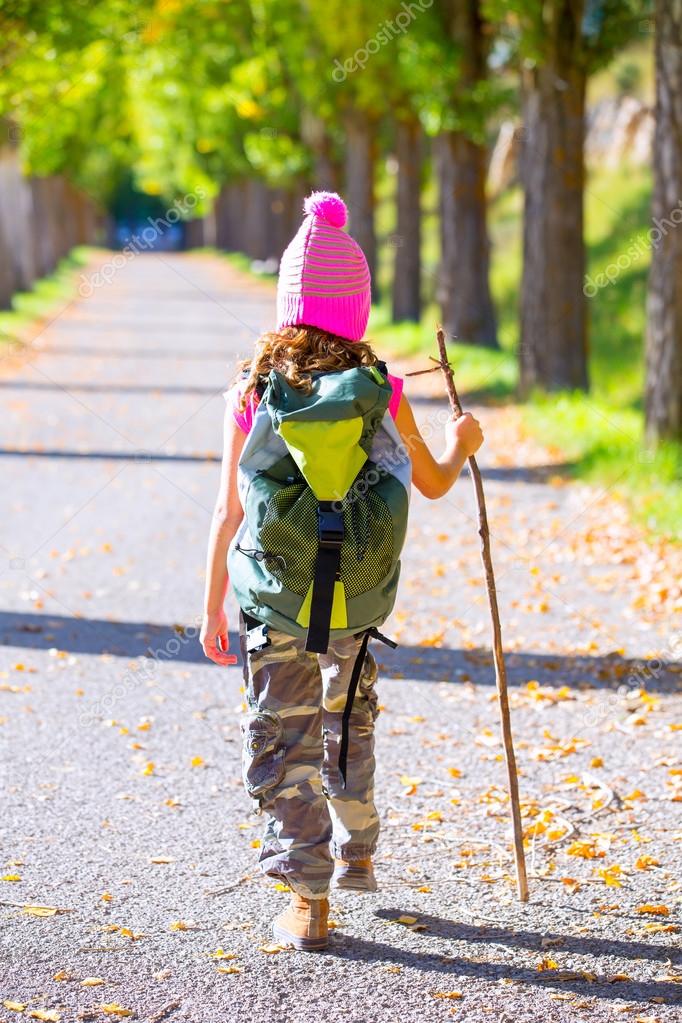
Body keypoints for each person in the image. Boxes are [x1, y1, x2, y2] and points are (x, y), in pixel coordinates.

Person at [201, 191, 483, 951]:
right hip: (356, 596)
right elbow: (429, 483)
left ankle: (307, 900)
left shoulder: (252, 391)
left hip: (272, 599)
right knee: (348, 719)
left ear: (288, 299)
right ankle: (358, 847)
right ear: (356, 308)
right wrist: (464, 442)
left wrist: (211, 608)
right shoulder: (382, 391)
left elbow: (228, 514)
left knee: (282, 737)